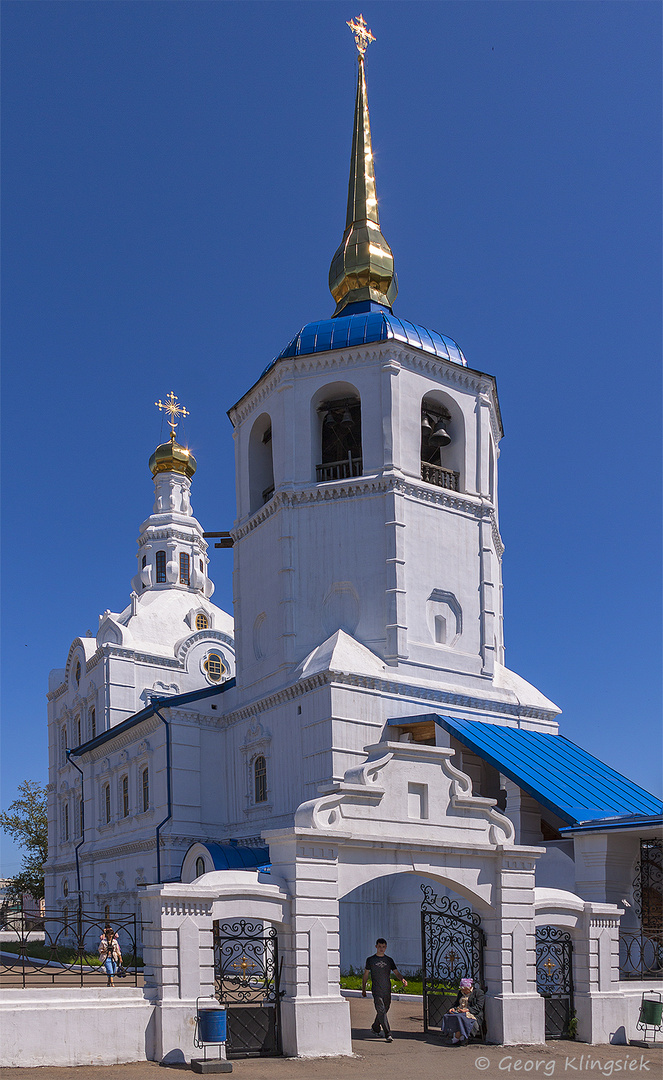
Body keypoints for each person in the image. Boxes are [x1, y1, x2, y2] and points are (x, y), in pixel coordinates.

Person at [361, 938, 408, 1043]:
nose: (381, 949)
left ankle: (375, 1027)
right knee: (381, 1010)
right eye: (379, 946)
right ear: (376, 947)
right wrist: (363, 989)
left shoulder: (389, 960)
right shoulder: (370, 960)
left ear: (385, 947)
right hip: (376, 990)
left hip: (387, 989)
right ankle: (388, 1033)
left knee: (384, 1010)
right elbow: (365, 975)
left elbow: (396, 972)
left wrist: (402, 979)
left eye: (383, 947)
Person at [440, 977, 485, 1045]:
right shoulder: (461, 993)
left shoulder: (478, 993)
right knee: (447, 1015)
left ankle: (458, 1037)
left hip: (472, 1013)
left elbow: (479, 1007)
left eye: (465, 990)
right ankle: (459, 1036)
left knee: (460, 1017)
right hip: (460, 1011)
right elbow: (456, 1003)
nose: (463, 991)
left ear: (470, 988)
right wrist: (453, 1008)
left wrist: (467, 1010)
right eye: (462, 990)